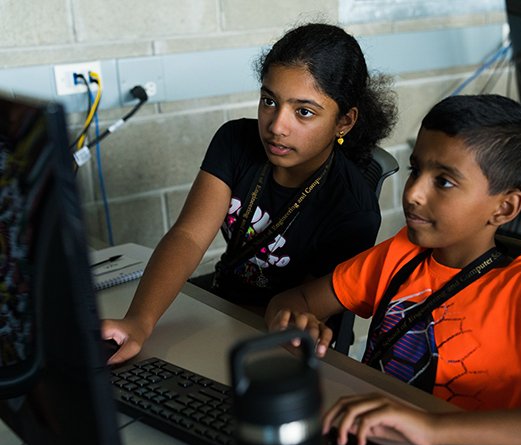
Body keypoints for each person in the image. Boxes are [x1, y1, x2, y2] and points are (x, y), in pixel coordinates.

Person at [265, 94, 521, 445]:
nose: (414, 194)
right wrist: (295, 323)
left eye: (445, 182)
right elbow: (294, 300)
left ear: (504, 207)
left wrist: (431, 426)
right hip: (373, 443)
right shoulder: (403, 252)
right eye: (415, 170)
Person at [102, 23, 398, 365]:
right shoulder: (235, 142)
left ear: (344, 122)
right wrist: (140, 320)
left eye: (303, 112)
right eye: (269, 101)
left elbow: (301, 305)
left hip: (278, 338)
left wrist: (208, 317)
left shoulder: (353, 208)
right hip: (220, 304)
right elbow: (188, 236)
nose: (276, 126)